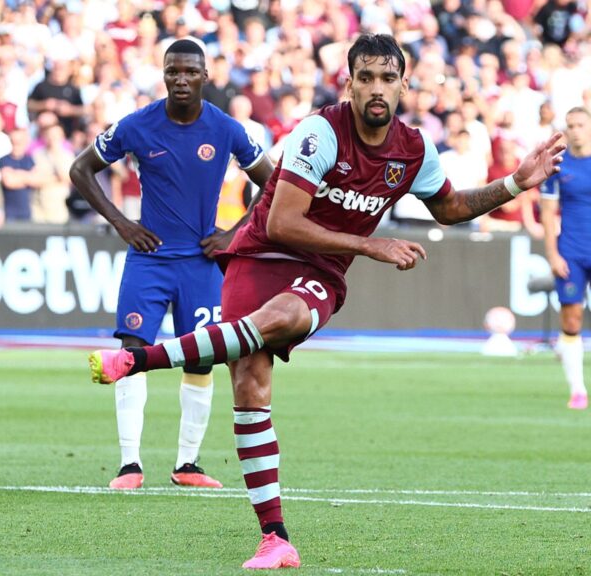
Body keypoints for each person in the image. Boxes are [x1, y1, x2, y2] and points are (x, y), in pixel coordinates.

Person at [87, 34, 564, 570]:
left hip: (319, 270)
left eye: (387, 78)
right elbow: (281, 221)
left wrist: (515, 184)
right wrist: (370, 243)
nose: (376, 89)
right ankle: (274, 539)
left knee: (284, 317)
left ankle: (140, 359)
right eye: (366, 78)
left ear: (405, 84)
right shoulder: (320, 131)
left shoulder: (412, 150)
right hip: (260, 254)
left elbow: (449, 207)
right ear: (350, 83)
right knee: (249, 380)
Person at [70, 39, 274, 492]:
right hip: (150, 259)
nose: (181, 79)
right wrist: (122, 222)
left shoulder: (226, 129)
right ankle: (129, 465)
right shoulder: (138, 125)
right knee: (131, 352)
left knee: (201, 360)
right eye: (173, 72)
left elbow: (272, 182)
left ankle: (188, 463)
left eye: (190, 72)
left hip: (201, 263)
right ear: (163, 75)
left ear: (205, 76)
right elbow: (81, 169)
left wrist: (233, 233)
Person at [540, 106, 591, 411]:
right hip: (571, 252)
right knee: (571, 320)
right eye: (570, 125)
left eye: (580, 125)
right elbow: (548, 215)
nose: (575, 130)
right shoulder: (558, 164)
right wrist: (552, 253)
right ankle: (577, 389)